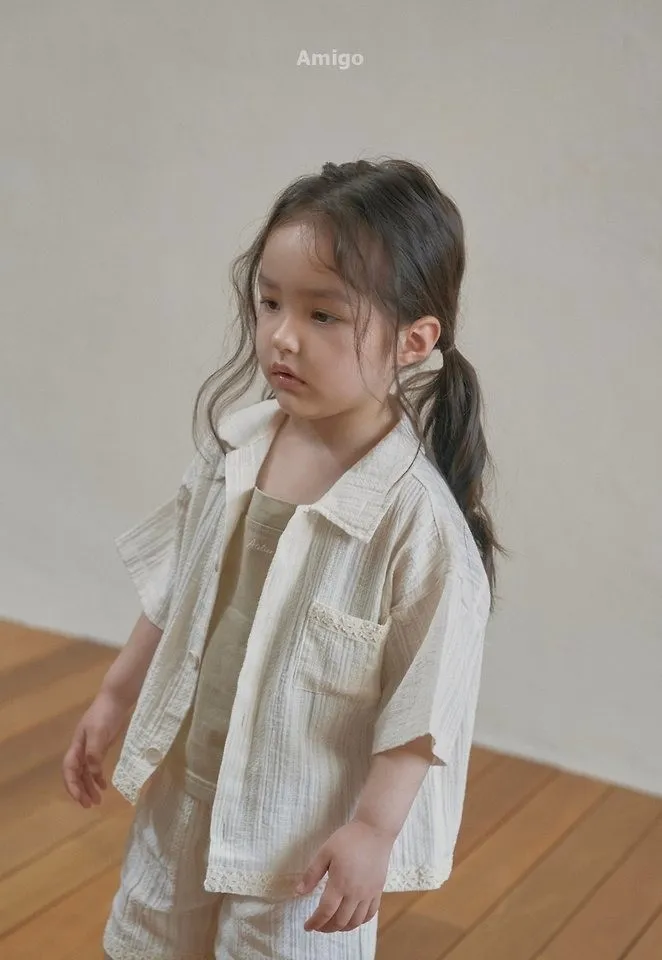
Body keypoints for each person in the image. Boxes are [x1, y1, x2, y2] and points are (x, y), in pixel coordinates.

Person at [62, 157, 505, 960]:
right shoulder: (236, 448)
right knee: (149, 940)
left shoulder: (417, 526)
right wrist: (113, 696)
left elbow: (423, 705)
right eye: (270, 302)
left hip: (299, 837)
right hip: (185, 792)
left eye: (324, 314)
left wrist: (373, 830)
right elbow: (176, 590)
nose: (282, 336)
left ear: (413, 341)